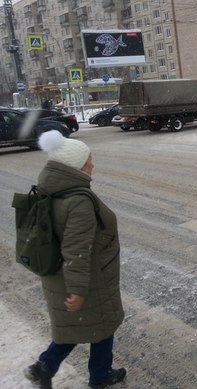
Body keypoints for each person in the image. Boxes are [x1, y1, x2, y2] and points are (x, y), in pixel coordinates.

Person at [24, 130, 126, 389]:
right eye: (88, 161)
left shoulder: (53, 190)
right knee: (101, 328)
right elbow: (76, 249)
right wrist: (79, 289)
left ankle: (43, 366)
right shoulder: (78, 200)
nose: (92, 165)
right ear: (76, 166)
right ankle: (100, 377)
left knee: (76, 325)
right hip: (88, 279)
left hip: (61, 276)